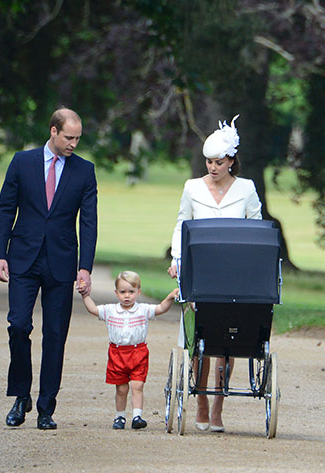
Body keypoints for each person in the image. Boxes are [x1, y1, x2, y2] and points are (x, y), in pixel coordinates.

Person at [0, 108, 97, 430]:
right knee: (18, 326)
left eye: (78, 138)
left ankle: (46, 408)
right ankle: (20, 395)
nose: (73, 144)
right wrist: (0, 254)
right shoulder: (22, 163)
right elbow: (5, 208)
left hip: (62, 261)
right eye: (69, 137)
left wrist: (85, 267)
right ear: (53, 132)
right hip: (23, 256)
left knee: (55, 335)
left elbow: (89, 222)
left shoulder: (84, 171)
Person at [167, 115, 262, 432]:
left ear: (231, 161)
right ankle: (201, 400)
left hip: (234, 271)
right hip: (200, 269)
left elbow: (257, 230)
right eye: (208, 162)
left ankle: (218, 405)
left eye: (219, 162)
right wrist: (177, 260)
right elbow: (182, 224)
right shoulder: (192, 188)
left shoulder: (246, 189)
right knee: (200, 339)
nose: (213, 167)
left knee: (227, 340)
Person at [81, 271, 179, 430]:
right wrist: (85, 295)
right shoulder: (111, 310)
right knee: (121, 388)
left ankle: (137, 416)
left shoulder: (143, 310)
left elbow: (161, 308)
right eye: (123, 292)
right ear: (116, 293)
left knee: (137, 385)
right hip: (117, 353)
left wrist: (169, 297)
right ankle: (119, 417)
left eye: (131, 292)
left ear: (139, 292)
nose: (127, 296)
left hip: (138, 352)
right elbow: (94, 310)